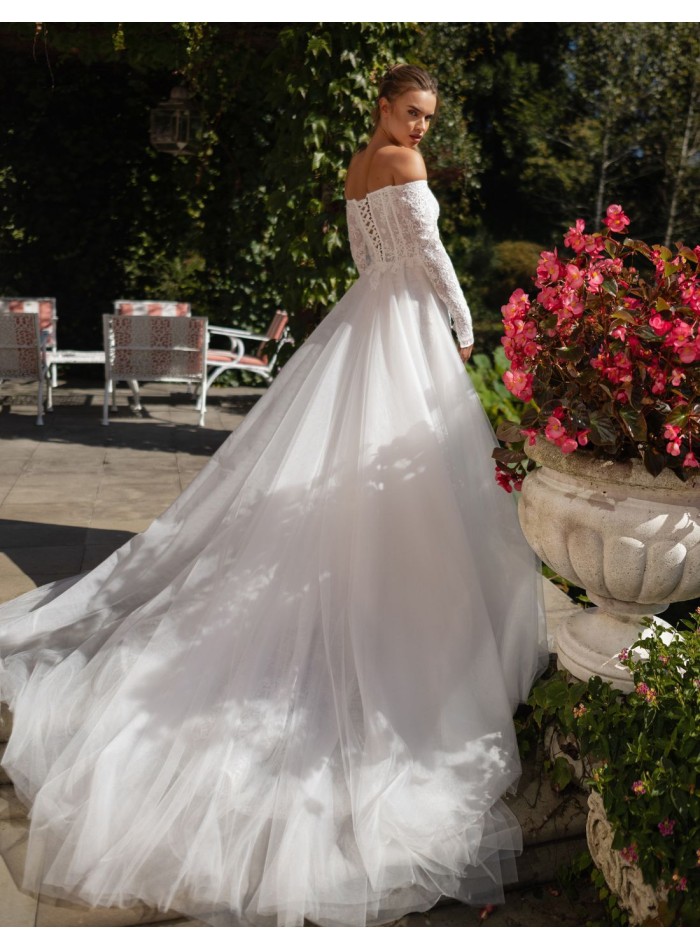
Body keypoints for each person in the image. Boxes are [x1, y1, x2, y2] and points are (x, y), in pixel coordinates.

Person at [0, 64, 547, 927]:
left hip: (368, 316)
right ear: (384, 106)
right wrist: (465, 323)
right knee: (413, 482)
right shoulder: (402, 169)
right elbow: (431, 257)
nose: (422, 131)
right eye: (413, 113)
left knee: (354, 479)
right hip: (406, 327)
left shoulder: (359, 167)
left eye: (430, 119)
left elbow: (368, 256)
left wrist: (404, 292)